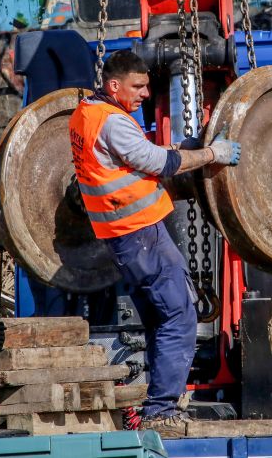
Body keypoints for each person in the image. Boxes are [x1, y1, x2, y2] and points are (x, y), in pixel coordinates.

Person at [68, 49, 241, 431]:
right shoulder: (113, 122)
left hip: (124, 239)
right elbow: (160, 165)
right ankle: (162, 409)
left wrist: (183, 148)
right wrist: (214, 153)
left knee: (159, 319)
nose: (146, 93)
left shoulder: (86, 114)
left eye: (148, 86)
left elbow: (134, 159)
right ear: (115, 86)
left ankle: (157, 402)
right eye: (139, 86)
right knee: (179, 315)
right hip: (141, 233)